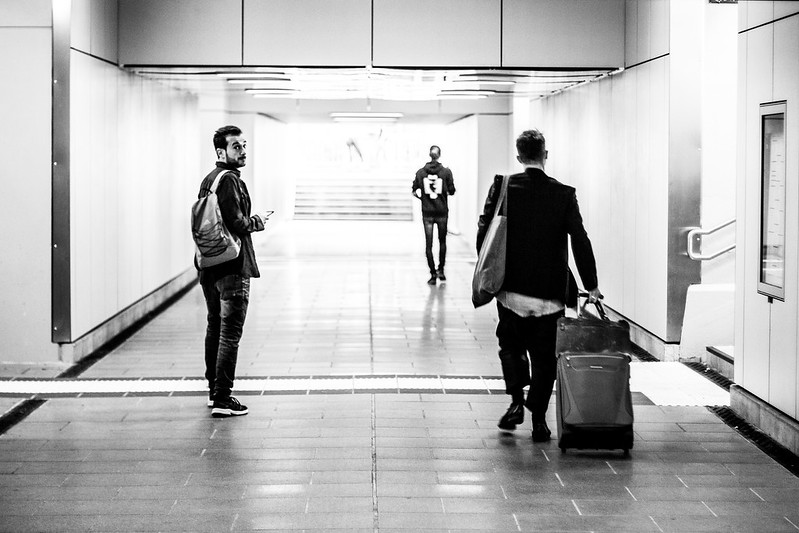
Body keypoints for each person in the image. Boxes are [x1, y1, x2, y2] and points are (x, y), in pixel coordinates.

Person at [476, 129, 602, 442]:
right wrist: (592, 285)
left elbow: (485, 230)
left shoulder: (504, 187)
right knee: (545, 358)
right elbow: (580, 241)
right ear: (545, 155)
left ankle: (517, 401)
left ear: (519, 157)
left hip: (511, 291)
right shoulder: (564, 193)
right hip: (551, 294)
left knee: (511, 347)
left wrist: (487, 269)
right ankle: (539, 422)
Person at [197, 125, 269, 418]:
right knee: (230, 332)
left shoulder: (209, 180)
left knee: (215, 326)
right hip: (232, 266)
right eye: (236, 147)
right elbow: (237, 224)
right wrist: (258, 220)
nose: (243, 152)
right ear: (220, 151)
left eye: (244, 145)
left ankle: (215, 392)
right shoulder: (229, 182)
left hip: (208, 264)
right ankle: (223, 398)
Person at [412, 145, 456, 285]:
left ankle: (432, 274)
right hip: (442, 211)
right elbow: (452, 190)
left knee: (429, 244)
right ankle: (441, 270)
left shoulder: (420, 173)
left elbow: (414, 191)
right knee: (442, 241)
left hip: (427, 213)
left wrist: (423, 199)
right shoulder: (446, 172)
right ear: (439, 155)